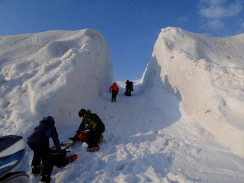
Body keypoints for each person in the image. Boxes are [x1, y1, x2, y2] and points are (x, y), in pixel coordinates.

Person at [27, 116, 63, 183]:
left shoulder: (40, 125)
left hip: (30, 142)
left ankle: (35, 168)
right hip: (42, 142)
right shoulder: (51, 127)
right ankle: (45, 177)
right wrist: (59, 150)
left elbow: (36, 132)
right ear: (52, 122)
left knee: (37, 152)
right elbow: (55, 140)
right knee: (47, 161)